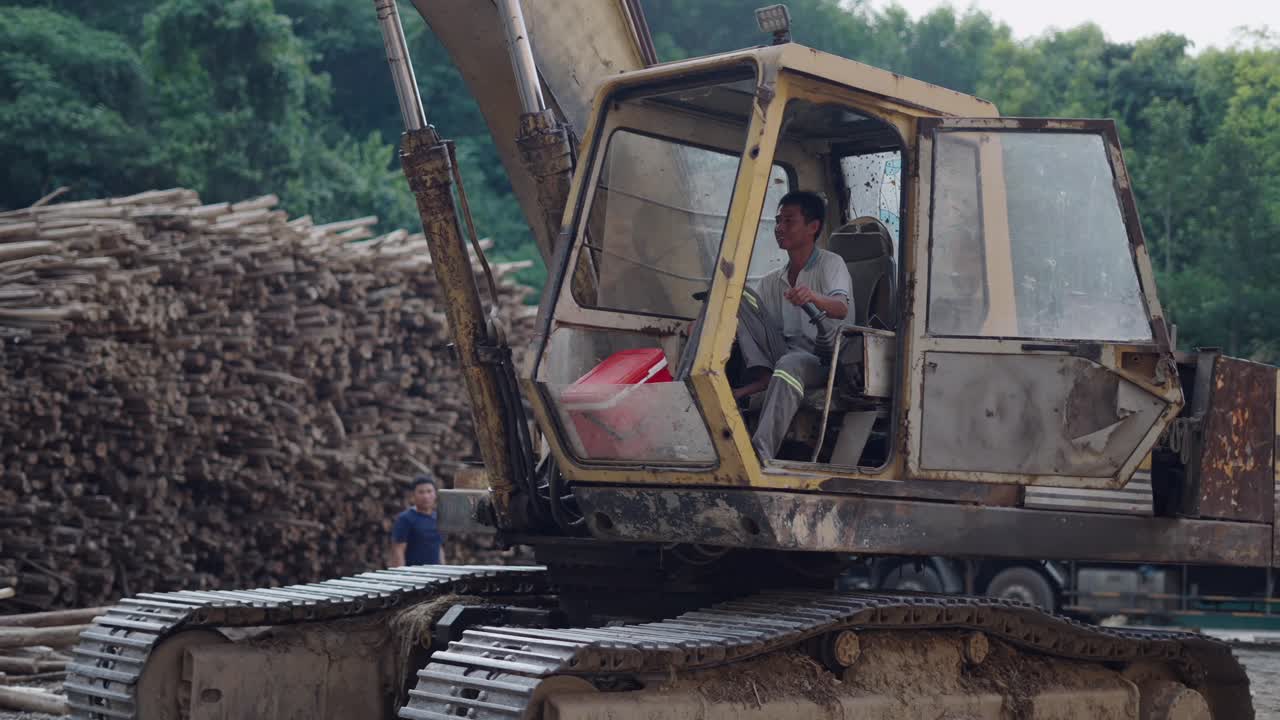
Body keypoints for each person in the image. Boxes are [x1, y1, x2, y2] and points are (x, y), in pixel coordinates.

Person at [734, 191, 852, 461]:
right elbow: (753, 323)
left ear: (813, 227)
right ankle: (763, 377)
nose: (779, 228)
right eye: (778, 221)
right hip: (783, 354)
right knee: (741, 298)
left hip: (824, 359)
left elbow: (840, 307)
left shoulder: (831, 264)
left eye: (789, 221)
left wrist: (813, 297)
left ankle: (758, 457)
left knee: (789, 365)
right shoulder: (772, 281)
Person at [390, 475, 446, 566]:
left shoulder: (437, 518)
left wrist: (443, 568)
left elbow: (438, 547)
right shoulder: (405, 519)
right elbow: (398, 550)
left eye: (429, 491)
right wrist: (401, 573)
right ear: (413, 495)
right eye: (421, 492)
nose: (426, 496)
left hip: (435, 572)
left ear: (435, 494)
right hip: (414, 573)